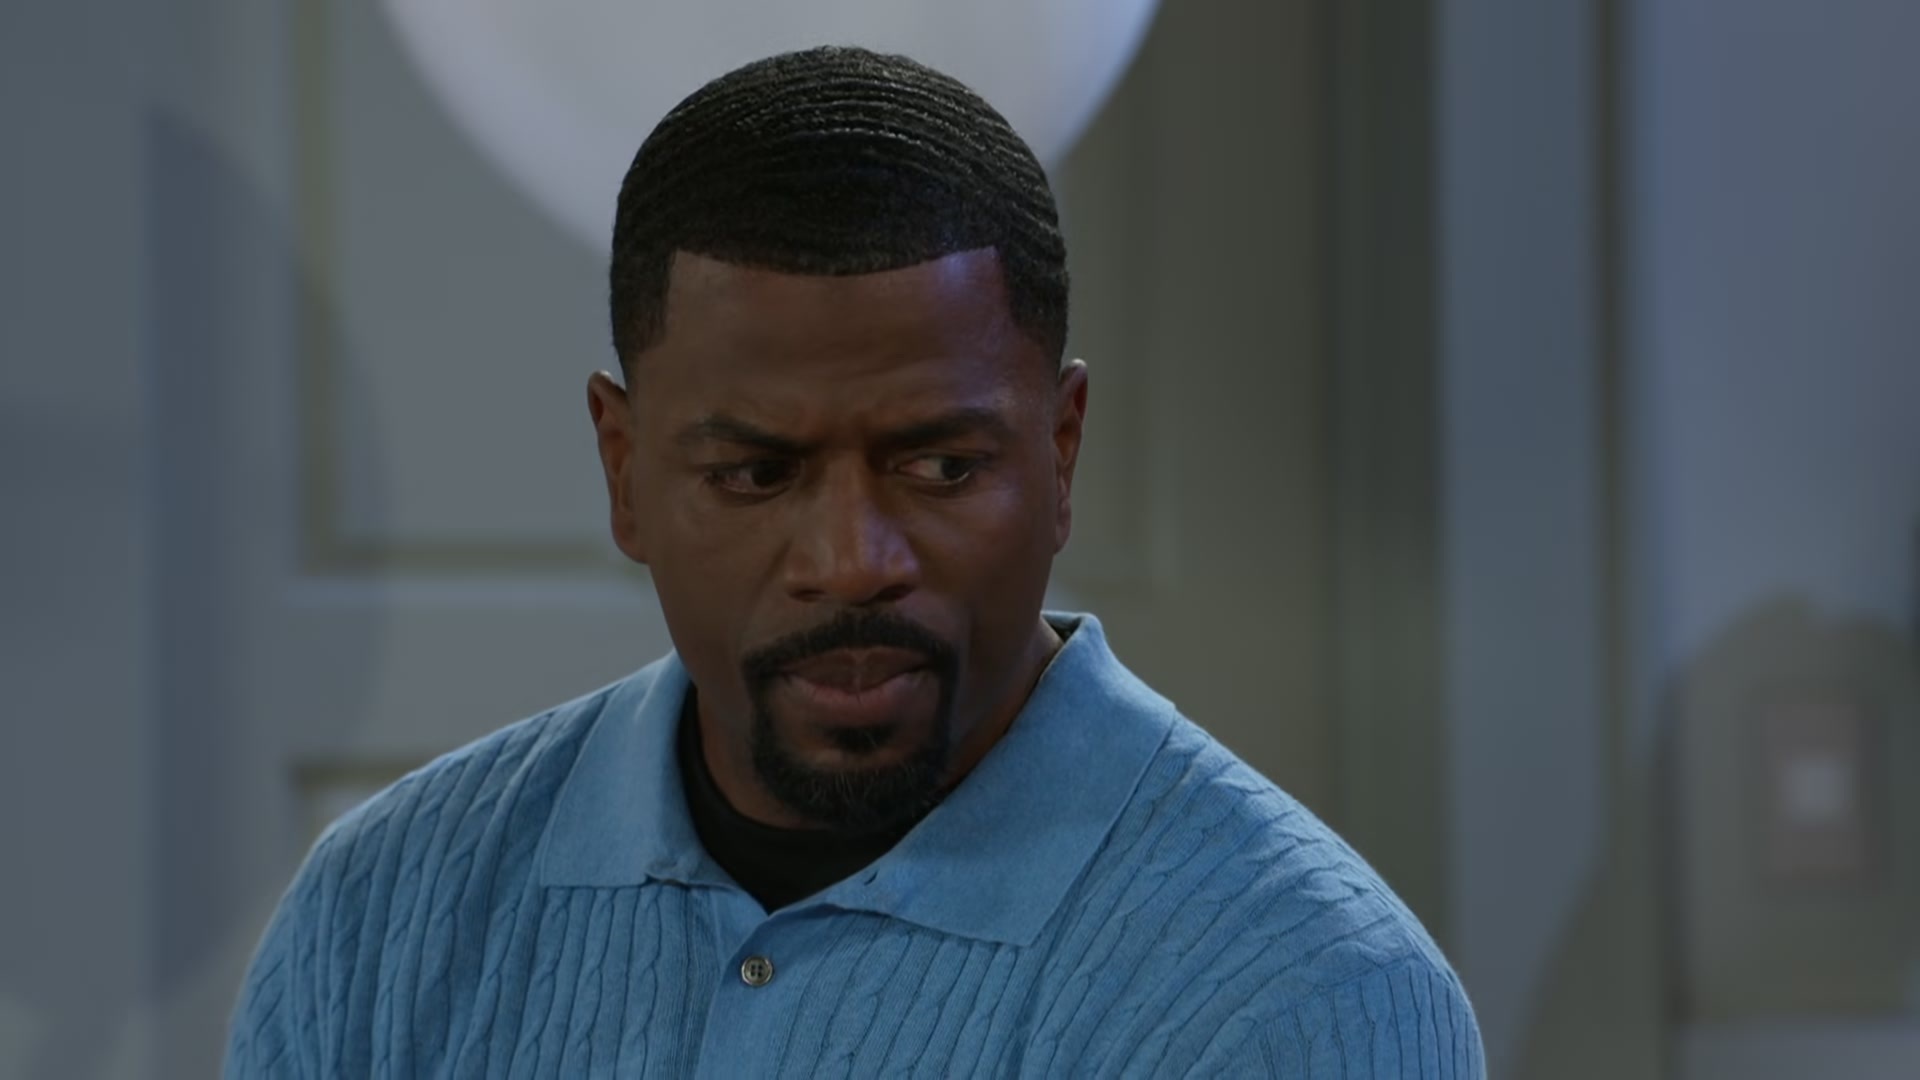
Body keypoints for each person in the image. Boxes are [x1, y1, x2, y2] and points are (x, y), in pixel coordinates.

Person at [226, 45, 1482, 1078]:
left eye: (938, 466)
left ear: (1060, 452)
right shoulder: (381, 917)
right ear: (623, 468)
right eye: (754, 474)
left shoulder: (1306, 998)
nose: (849, 562)